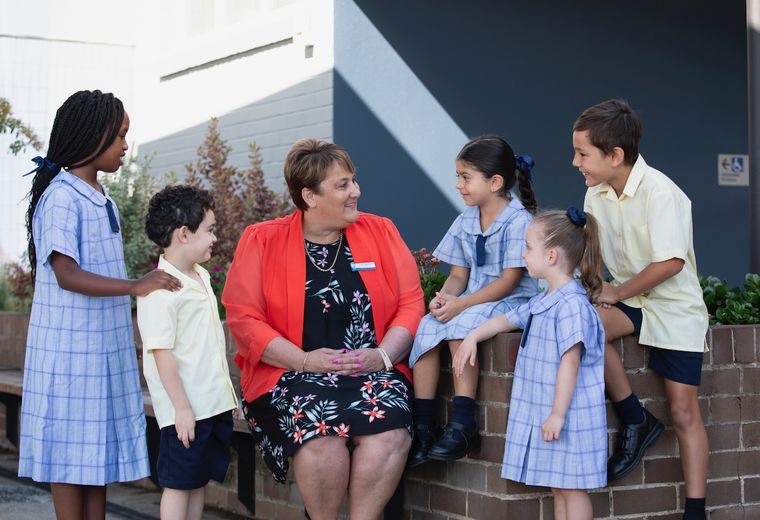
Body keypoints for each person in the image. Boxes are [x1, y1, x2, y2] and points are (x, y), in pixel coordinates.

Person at [222, 138, 424, 520]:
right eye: (343, 185)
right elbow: (244, 319)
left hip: (372, 371)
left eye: (353, 181)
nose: (356, 192)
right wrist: (304, 360)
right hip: (292, 375)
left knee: (390, 433)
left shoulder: (380, 231)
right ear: (309, 197)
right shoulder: (262, 240)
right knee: (322, 440)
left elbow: (410, 303)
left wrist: (382, 356)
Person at [18, 90, 181, 519]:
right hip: (69, 354)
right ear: (93, 136)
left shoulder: (100, 196)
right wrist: (135, 286)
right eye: (120, 136)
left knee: (93, 459)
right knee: (69, 459)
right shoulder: (61, 197)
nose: (126, 146)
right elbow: (66, 274)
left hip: (99, 352)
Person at [573, 99, 709, 519]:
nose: (575, 162)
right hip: (630, 299)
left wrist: (617, 292)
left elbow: (671, 262)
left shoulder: (662, 193)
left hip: (673, 306)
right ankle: (635, 418)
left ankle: (695, 509)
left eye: (583, 154)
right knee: (585, 325)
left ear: (615, 155)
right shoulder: (595, 191)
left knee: (684, 410)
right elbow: (592, 253)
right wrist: (585, 287)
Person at [454, 208, 606, 520]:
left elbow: (571, 362)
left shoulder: (571, 306)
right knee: (559, 487)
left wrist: (557, 415)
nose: (523, 254)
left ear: (551, 256)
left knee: (572, 488)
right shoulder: (542, 302)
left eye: (527, 247)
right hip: (555, 414)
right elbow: (506, 319)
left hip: (569, 416)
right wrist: (472, 337)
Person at [407, 135, 539, 467]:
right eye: (458, 176)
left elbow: (509, 282)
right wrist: (445, 298)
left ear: (495, 182)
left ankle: (463, 423)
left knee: (459, 326)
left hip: (511, 301)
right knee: (426, 326)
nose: (458, 185)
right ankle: (424, 427)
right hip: (474, 300)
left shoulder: (517, 221)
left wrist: (461, 306)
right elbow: (457, 276)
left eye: (466, 177)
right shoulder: (467, 219)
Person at [138, 185, 238, 520]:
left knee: (197, 482)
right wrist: (181, 408)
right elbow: (160, 352)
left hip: (211, 404)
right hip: (186, 410)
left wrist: (228, 396)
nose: (214, 237)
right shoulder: (159, 287)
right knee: (179, 484)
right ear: (184, 233)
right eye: (209, 229)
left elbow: (207, 347)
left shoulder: (201, 276)